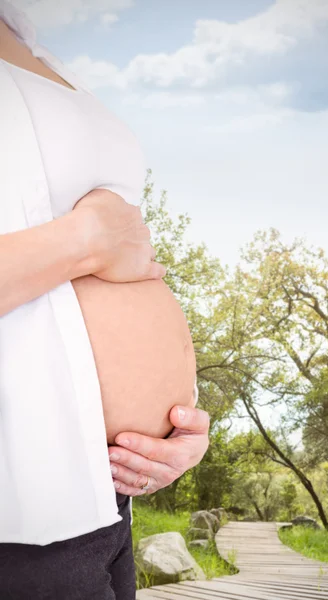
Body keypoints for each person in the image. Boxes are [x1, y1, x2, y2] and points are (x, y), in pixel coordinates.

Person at [0, 1, 209, 598]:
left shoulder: (29, 38)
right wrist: (85, 241)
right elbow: (99, 243)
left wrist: (173, 427)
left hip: (100, 505)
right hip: (19, 524)